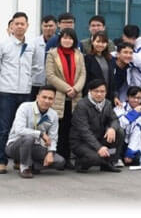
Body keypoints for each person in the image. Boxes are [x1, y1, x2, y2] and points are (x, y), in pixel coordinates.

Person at [0, 11, 42, 174]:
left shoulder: (31, 46)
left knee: (23, 127)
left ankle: (19, 159)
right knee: (5, 127)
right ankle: (2, 160)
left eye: (22, 24)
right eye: (16, 24)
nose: (19, 26)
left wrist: (28, 80)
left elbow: (36, 67)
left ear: (27, 26)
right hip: (6, 92)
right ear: (11, 26)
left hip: (25, 92)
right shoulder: (4, 44)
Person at [45, 27, 85, 167]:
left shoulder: (79, 54)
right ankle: (58, 158)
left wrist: (76, 88)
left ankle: (68, 159)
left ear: (74, 40)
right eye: (64, 38)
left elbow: (83, 74)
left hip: (75, 97)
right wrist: (67, 88)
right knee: (59, 129)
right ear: (60, 39)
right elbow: (50, 75)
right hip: (59, 97)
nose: (67, 41)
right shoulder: (52, 54)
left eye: (70, 38)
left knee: (71, 128)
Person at [4, 85, 65, 177]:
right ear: (37, 97)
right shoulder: (25, 107)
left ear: (54, 100)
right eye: (44, 97)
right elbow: (19, 130)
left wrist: (50, 152)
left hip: (36, 147)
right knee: (29, 138)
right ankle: (24, 168)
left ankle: (33, 165)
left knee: (60, 161)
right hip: (15, 146)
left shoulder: (53, 115)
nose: (47, 101)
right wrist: (40, 134)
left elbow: (53, 137)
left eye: (50, 98)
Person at [69, 79, 123, 173]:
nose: (99, 94)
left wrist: (112, 128)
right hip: (81, 142)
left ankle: (107, 163)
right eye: (96, 91)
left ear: (106, 92)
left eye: (102, 91)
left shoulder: (107, 103)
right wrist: (99, 147)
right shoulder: (82, 105)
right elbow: (84, 131)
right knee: (96, 158)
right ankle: (80, 163)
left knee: (119, 132)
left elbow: (114, 119)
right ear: (90, 91)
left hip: (98, 138)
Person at [114, 86, 141, 166]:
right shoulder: (120, 107)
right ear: (127, 97)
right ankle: (116, 157)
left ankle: (122, 157)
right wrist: (134, 113)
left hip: (128, 142)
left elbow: (136, 133)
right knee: (120, 131)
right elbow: (121, 124)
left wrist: (130, 152)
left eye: (139, 98)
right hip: (117, 140)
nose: (136, 100)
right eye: (133, 97)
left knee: (137, 160)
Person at [30, 15, 57, 98]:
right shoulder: (33, 43)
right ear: (41, 27)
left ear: (56, 26)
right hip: (36, 83)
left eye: (51, 26)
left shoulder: (60, 42)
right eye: (45, 26)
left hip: (54, 83)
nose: (48, 28)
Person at [82, 30, 114, 98]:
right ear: (93, 42)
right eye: (98, 41)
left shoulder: (110, 59)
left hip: (107, 95)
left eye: (103, 42)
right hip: (93, 95)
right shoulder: (87, 59)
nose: (100, 44)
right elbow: (86, 80)